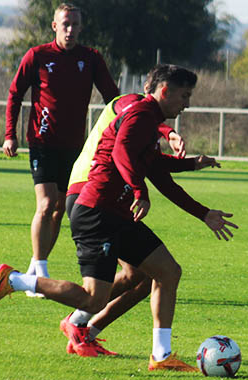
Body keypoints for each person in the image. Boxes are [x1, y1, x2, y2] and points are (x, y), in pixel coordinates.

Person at [0, 64, 238, 372]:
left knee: (168, 272)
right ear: (164, 90)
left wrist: (201, 205)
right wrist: (139, 191)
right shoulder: (140, 114)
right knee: (92, 299)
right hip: (97, 211)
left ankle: (160, 355)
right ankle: (14, 280)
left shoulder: (149, 120)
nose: (188, 103)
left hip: (118, 213)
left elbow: (156, 170)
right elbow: (122, 154)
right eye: (184, 95)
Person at [58, 81, 186, 357]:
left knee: (145, 275)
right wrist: (169, 132)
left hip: (113, 198)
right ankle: (25, 285)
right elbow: (130, 126)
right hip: (88, 188)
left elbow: (157, 169)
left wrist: (192, 164)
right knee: (104, 288)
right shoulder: (129, 102)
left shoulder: (148, 121)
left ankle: (84, 328)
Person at [3, 3, 119, 295]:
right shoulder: (38, 56)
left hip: (75, 149)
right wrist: (9, 135)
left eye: (75, 24)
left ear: (81, 27)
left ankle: (35, 265)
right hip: (41, 143)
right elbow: (15, 94)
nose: (70, 29)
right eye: (65, 24)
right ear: (54, 26)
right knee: (45, 204)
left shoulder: (90, 59)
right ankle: (40, 273)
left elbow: (113, 99)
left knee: (59, 209)